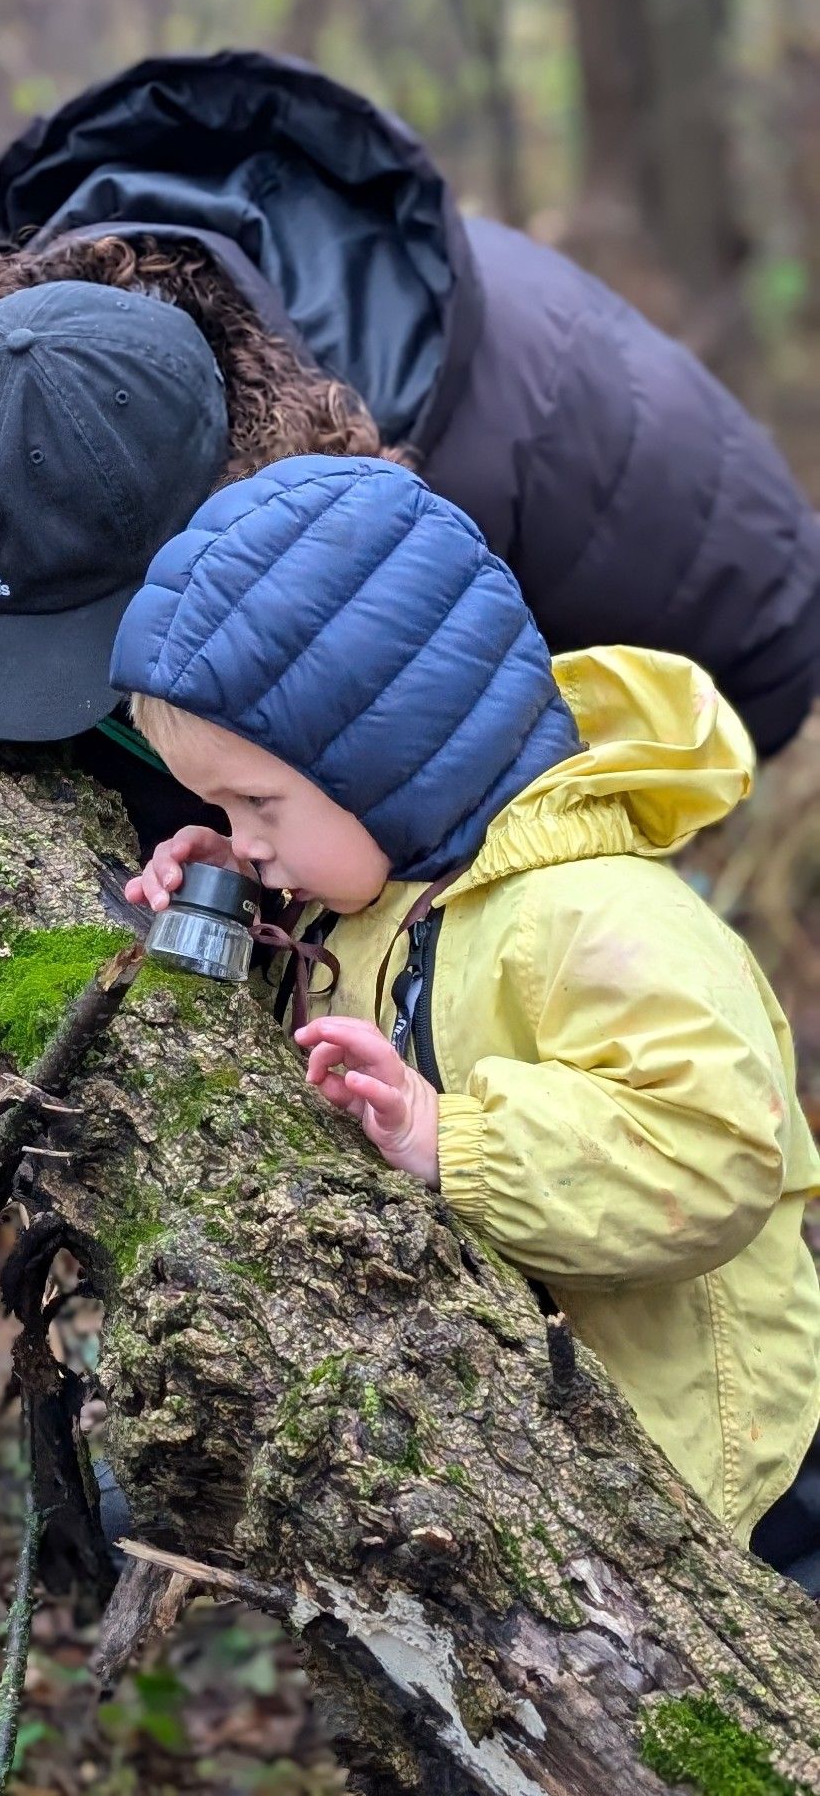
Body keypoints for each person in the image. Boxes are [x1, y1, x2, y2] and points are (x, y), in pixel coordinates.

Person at [0, 51, 820, 857]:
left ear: (239, 492)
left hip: (680, 637)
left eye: (96, 614)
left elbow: (764, 661)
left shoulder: (510, 453)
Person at [115, 453, 820, 1564]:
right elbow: (380, 1016)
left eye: (257, 803)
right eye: (223, 808)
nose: (245, 835)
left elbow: (714, 1151)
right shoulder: (385, 886)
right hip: (541, 1431)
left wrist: (454, 1137)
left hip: (724, 1471)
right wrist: (243, 903)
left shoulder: (596, 913)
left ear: (383, 759)